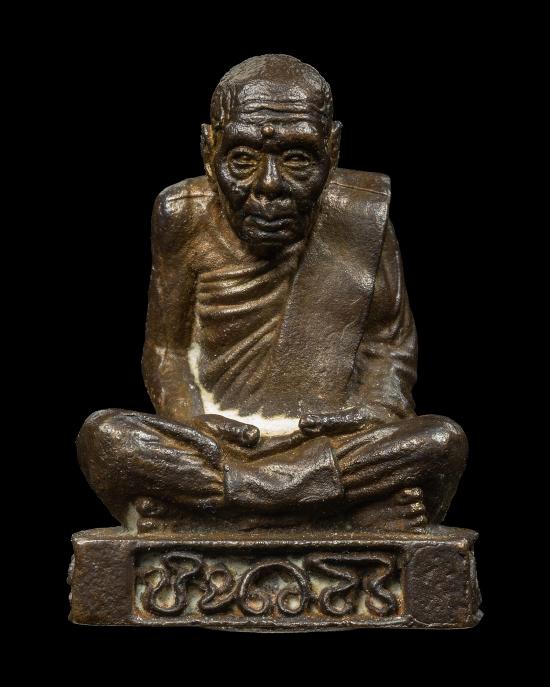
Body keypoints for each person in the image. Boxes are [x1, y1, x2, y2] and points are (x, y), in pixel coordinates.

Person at [77, 55, 467, 533]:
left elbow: (389, 347)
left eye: (298, 159)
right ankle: (326, 507)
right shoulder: (182, 214)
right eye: (242, 160)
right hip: (225, 444)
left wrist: (371, 414)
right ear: (209, 150)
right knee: (105, 436)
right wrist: (189, 419)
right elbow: (167, 350)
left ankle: (222, 507)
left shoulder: (361, 217)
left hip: (326, 440)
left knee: (441, 440)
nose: (269, 185)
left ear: (332, 149)